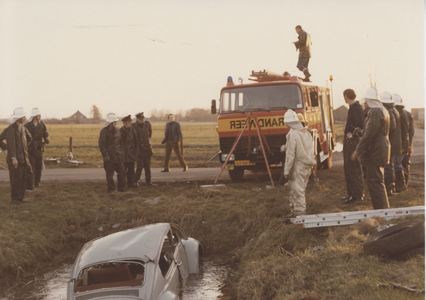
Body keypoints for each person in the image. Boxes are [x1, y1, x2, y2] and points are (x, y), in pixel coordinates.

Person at [351, 87, 390, 209]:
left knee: (375, 182)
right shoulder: (381, 111)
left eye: (365, 101)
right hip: (379, 149)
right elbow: (373, 132)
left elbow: (369, 135)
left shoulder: (375, 112)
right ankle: (382, 210)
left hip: (375, 152)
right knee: (376, 181)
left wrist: (357, 150)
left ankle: (382, 212)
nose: (364, 103)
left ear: (369, 101)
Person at [282, 109, 316, 218]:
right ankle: (295, 214)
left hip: (298, 168)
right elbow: (305, 149)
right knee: (298, 190)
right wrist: (284, 147)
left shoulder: (292, 134)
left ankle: (300, 217)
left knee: (298, 193)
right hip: (306, 167)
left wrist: (286, 171)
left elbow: (290, 155)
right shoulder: (306, 133)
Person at [341, 89, 364, 204]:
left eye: (344, 96)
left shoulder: (356, 108)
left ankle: (357, 195)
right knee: (348, 167)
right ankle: (351, 194)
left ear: (346, 96)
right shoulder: (353, 107)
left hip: (352, 142)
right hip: (349, 142)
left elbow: (361, 123)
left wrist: (353, 134)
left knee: (352, 168)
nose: (344, 98)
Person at [6, 107, 31, 204]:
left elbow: (27, 140)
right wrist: (13, 158)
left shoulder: (23, 128)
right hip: (15, 159)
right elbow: (11, 144)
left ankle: (21, 198)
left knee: (23, 179)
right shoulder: (11, 128)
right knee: (16, 179)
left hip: (23, 158)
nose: (25, 118)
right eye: (23, 117)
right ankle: (14, 199)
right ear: (18, 118)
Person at [380, 92, 402, 196]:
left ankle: (389, 189)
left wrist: (384, 133)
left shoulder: (389, 111)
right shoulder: (394, 110)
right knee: (390, 165)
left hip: (391, 143)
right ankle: (391, 187)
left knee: (389, 166)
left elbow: (392, 127)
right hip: (394, 142)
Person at [99, 113, 126, 192]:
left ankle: (121, 188)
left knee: (122, 171)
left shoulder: (117, 130)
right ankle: (111, 189)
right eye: (114, 122)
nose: (116, 123)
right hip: (109, 157)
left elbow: (120, 142)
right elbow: (102, 145)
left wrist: (121, 151)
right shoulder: (104, 131)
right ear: (110, 122)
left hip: (118, 156)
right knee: (110, 174)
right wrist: (105, 155)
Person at [25, 108, 49, 189]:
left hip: (39, 148)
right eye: (38, 115)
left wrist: (47, 138)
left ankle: (37, 182)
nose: (40, 116)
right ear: (35, 116)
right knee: (31, 166)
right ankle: (30, 183)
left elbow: (45, 133)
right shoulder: (27, 125)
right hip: (30, 148)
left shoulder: (42, 124)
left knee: (39, 166)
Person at [393, 94, 413, 191]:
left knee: (400, 163)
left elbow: (406, 132)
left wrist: (405, 145)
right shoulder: (405, 113)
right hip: (405, 144)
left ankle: (402, 185)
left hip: (403, 145)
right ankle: (403, 184)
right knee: (403, 164)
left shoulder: (402, 114)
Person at [133, 112, 157, 186]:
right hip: (139, 149)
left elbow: (149, 134)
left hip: (147, 148)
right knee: (139, 166)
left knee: (147, 166)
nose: (142, 120)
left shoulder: (147, 124)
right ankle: (135, 181)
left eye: (143, 119)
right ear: (137, 119)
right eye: (140, 119)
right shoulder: (133, 126)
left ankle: (148, 181)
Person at [120, 115, 139, 188]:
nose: (131, 123)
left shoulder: (132, 130)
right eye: (129, 122)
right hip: (124, 153)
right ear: (125, 123)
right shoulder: (120, 131)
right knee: (123, 170)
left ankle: (131, 184)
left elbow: (136, 142)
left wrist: (136, 152)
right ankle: (122, 184)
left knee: (131, 170)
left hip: (131, 153)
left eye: (131, 122)